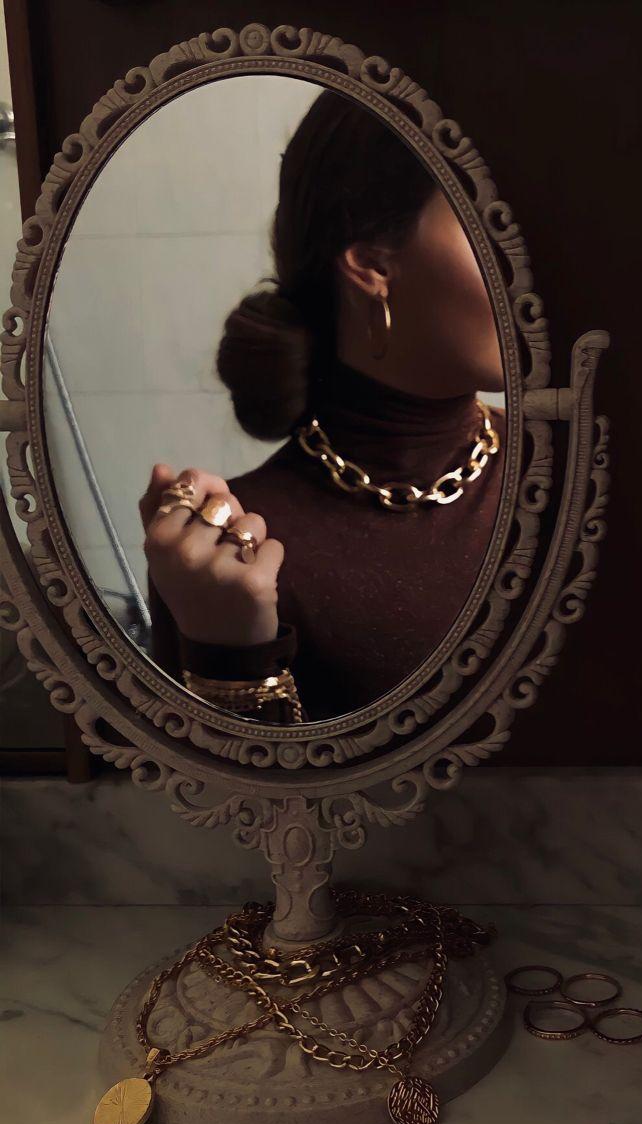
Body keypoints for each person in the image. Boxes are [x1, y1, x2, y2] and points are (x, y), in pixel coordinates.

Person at [138, 88, 505, 723]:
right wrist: (232, 657)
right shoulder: (235, 558)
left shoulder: (580, 467)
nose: (531, 266)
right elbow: (233, 789)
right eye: (494, 225)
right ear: (371, 264)